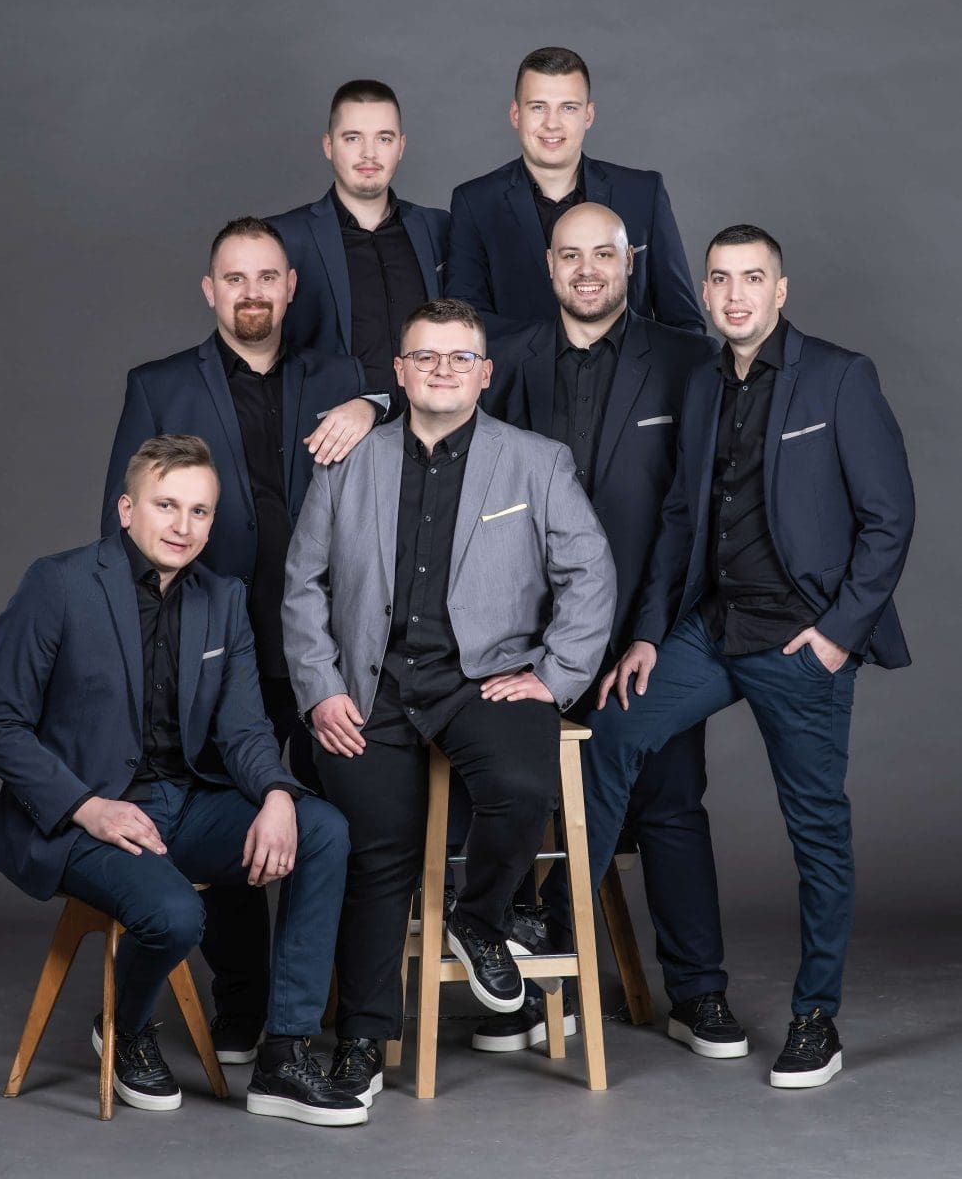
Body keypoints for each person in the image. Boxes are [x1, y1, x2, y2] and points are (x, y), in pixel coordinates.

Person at [584, 225, 914, 1088]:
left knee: (815, 832)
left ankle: (815, 1018)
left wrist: (837, 635)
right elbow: (679, 521)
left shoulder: (838, 376)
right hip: (710, 628)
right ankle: (557, 927)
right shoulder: (702, 381)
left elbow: (888, 518)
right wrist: (648, 633)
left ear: (780, 290)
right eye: (720, 279)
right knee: (611, 732)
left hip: (800, 641)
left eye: (752, 278)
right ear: (703, 291)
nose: (735, 295)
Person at [282, 298, 616, 1109]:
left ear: (484, 373)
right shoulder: (350, 461)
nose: (442, 369)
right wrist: (321, 688)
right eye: (425, 356)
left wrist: (556, 675)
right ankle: (363, 1040)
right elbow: (302, 585)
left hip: (486, 678)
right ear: (399, 373)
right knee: (376, 857)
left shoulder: (536, 461)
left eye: (459, 357)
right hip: (370, 684)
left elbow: (590, 573)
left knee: (522, 789)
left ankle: (479, 917)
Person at [0, 436, 365, 1124]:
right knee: (178, 915)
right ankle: (123, 1027)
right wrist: (87, 808)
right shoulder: (59, 584)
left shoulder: (223, 598)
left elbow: (243, 730)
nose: (183, 526)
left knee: (323, 829)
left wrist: (278, 794)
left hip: (183, 805)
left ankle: (284, 1056)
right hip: (85, 817)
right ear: (127, 510)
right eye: (166, 506)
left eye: (200, 511)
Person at [101, 216, 385, 1067]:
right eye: (235, 278)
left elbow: (424, 397)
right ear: (210, 290)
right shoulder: (158, 384)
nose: (252, 292)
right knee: (228, 811)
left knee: (337, 823)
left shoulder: (341, 375)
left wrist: (374, 404)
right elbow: (123, 531)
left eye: (267, 277)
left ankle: (330, 1007)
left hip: (327, 643)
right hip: (211, 644)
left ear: (291, 287)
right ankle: (242, 1004)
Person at [469, 202, 739, 1057]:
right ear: (548, 267)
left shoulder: (686, 359)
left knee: (669, 806)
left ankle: (697, 993)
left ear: (630, 263)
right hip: (526, 642)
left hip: (643, 634)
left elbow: (687, 515)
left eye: (603, 255)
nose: (586, 270)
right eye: (569, 256)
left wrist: (650, 630)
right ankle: (534, 994)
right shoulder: (506, 357)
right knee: (517, 805)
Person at [446, 46, 703, 341]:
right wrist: (554, 349)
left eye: (568, 107)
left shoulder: (643, 193)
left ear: (588, 115)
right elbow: (465, 323)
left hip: (631, 371)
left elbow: (684, 324)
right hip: (518, 371)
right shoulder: (475, 203)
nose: (552, 123)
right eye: (538, 107)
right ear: (516, 114)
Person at [268, 79, 449, 405]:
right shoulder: (283, 238)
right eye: (353, 138)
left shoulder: (439, 228)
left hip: (432, 425)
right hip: (331, 427)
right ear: (328, 145)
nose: (369, 153)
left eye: (384, 138)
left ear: (401, 146)